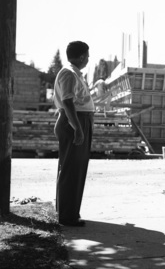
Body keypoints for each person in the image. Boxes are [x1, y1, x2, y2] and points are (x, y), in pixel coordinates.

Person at [53, 41, 95, 227]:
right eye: (87, 55)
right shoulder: (69, 73)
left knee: (73, 169)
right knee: (72, 170)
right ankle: (67, 216)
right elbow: (68, 102)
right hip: (75, 122)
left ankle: (66, 211)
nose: (88, 58)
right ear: (80, 57)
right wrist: (77, 127)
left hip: (78, 120)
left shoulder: (75, 74)